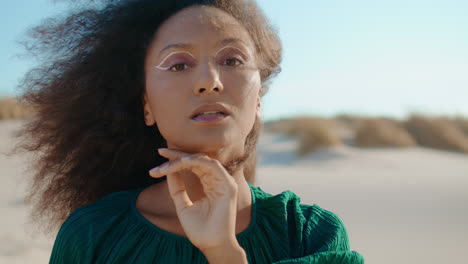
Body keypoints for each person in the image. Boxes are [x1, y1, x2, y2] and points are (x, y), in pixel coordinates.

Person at [16, 0, 364, 263]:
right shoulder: (92, 233)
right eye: (179, 64)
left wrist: (223, 251)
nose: (209, 82)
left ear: (258, 96)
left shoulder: (310, 234)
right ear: (146, 105)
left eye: (232, 60)